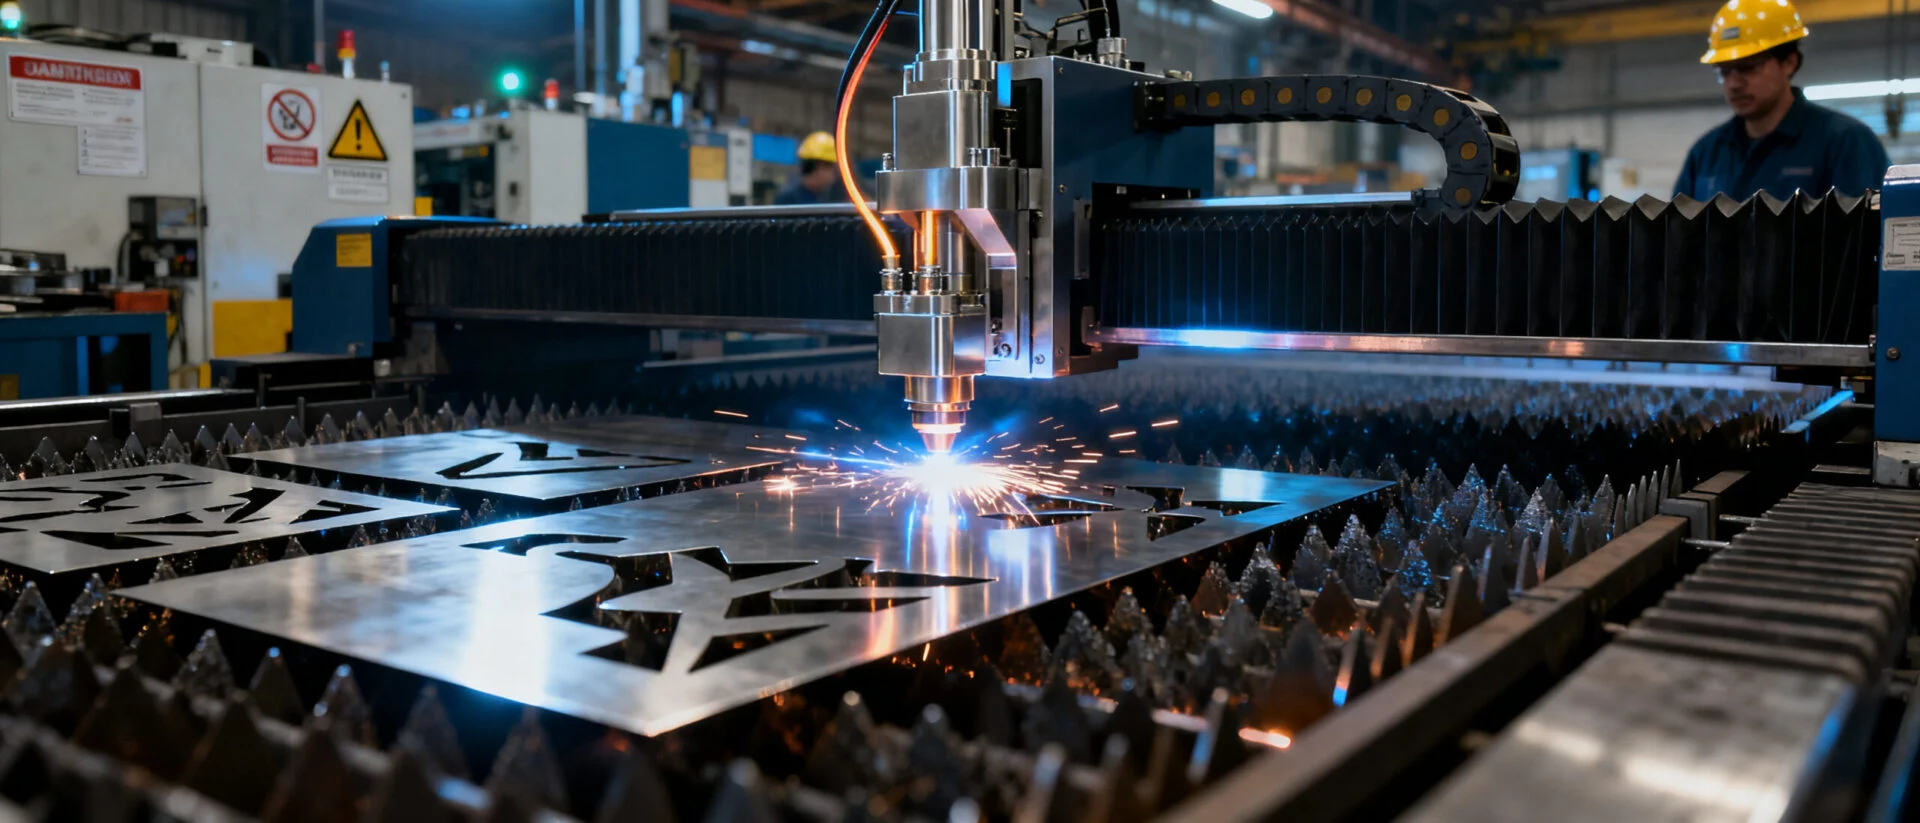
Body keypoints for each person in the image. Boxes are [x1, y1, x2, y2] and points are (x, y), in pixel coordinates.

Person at [1674, 0, 1890, 201]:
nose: (1733, 84)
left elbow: (1875, 233)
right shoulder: (1706, 153)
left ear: (1788, 62)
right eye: (1724, 72)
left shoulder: (1846, 142)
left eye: (1748, 68)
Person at [774, 131, 847, 205]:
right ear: (818, 167)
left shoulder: (828, 197)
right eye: (832, 167)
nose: (834, 174)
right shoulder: (789, 200)